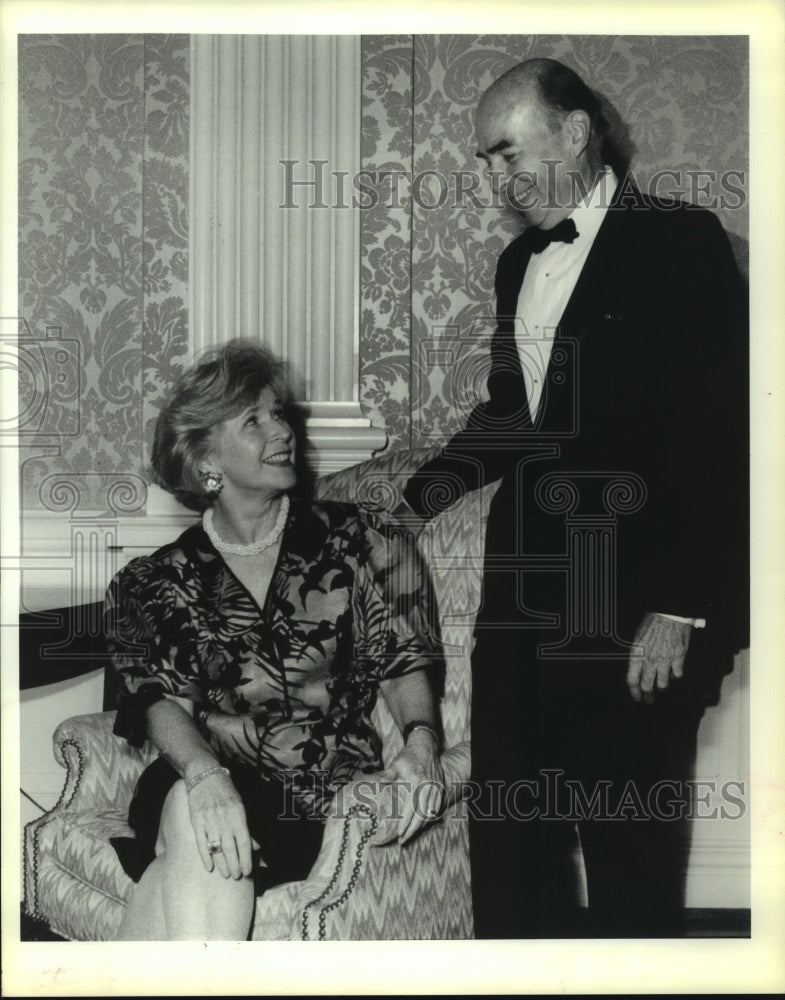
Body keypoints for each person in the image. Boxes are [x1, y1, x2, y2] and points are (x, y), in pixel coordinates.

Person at [399, 58, 748, 937]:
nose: (495, 178)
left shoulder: (683, 242)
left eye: (508, 151)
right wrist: (410, 503)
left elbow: (721, 438)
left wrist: (682, 606)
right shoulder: (519, 262)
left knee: (629, 850)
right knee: (511, 842)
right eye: (484, 160)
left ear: (577, 130)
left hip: (640, 601)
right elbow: (511, 417)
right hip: (525, 596)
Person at [105, 340, 445, 941]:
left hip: (324, 797)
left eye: (278, 413)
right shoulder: (158, 580)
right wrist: (208, 777)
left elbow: (402, 662)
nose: (281, 430)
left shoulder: (360, 540)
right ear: (206, 461)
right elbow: (159, 702)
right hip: (207, 776)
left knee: (176, 872)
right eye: (254, 420)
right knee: (192, 807)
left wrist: (420, 745)